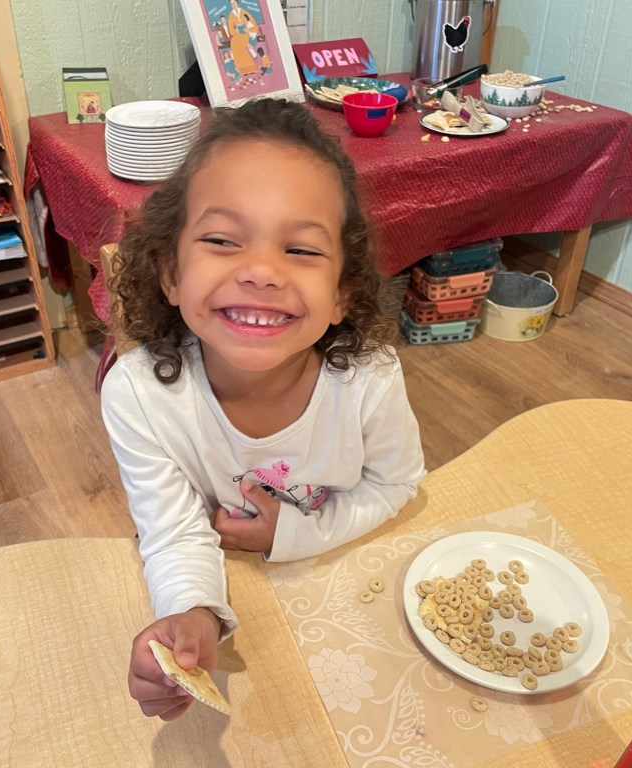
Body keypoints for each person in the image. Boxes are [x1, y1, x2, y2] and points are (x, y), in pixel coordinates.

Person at [101, 98, 426, 720]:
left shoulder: (369, 379)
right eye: (222, 240)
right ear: (170, 273)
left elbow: (397, 484)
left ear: (342, 293)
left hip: (347, 588)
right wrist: (194, 615)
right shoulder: (139, 396)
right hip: (238, 592)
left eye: (301, 250)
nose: (261, 272)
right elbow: (173, 533)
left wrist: (294, 533)